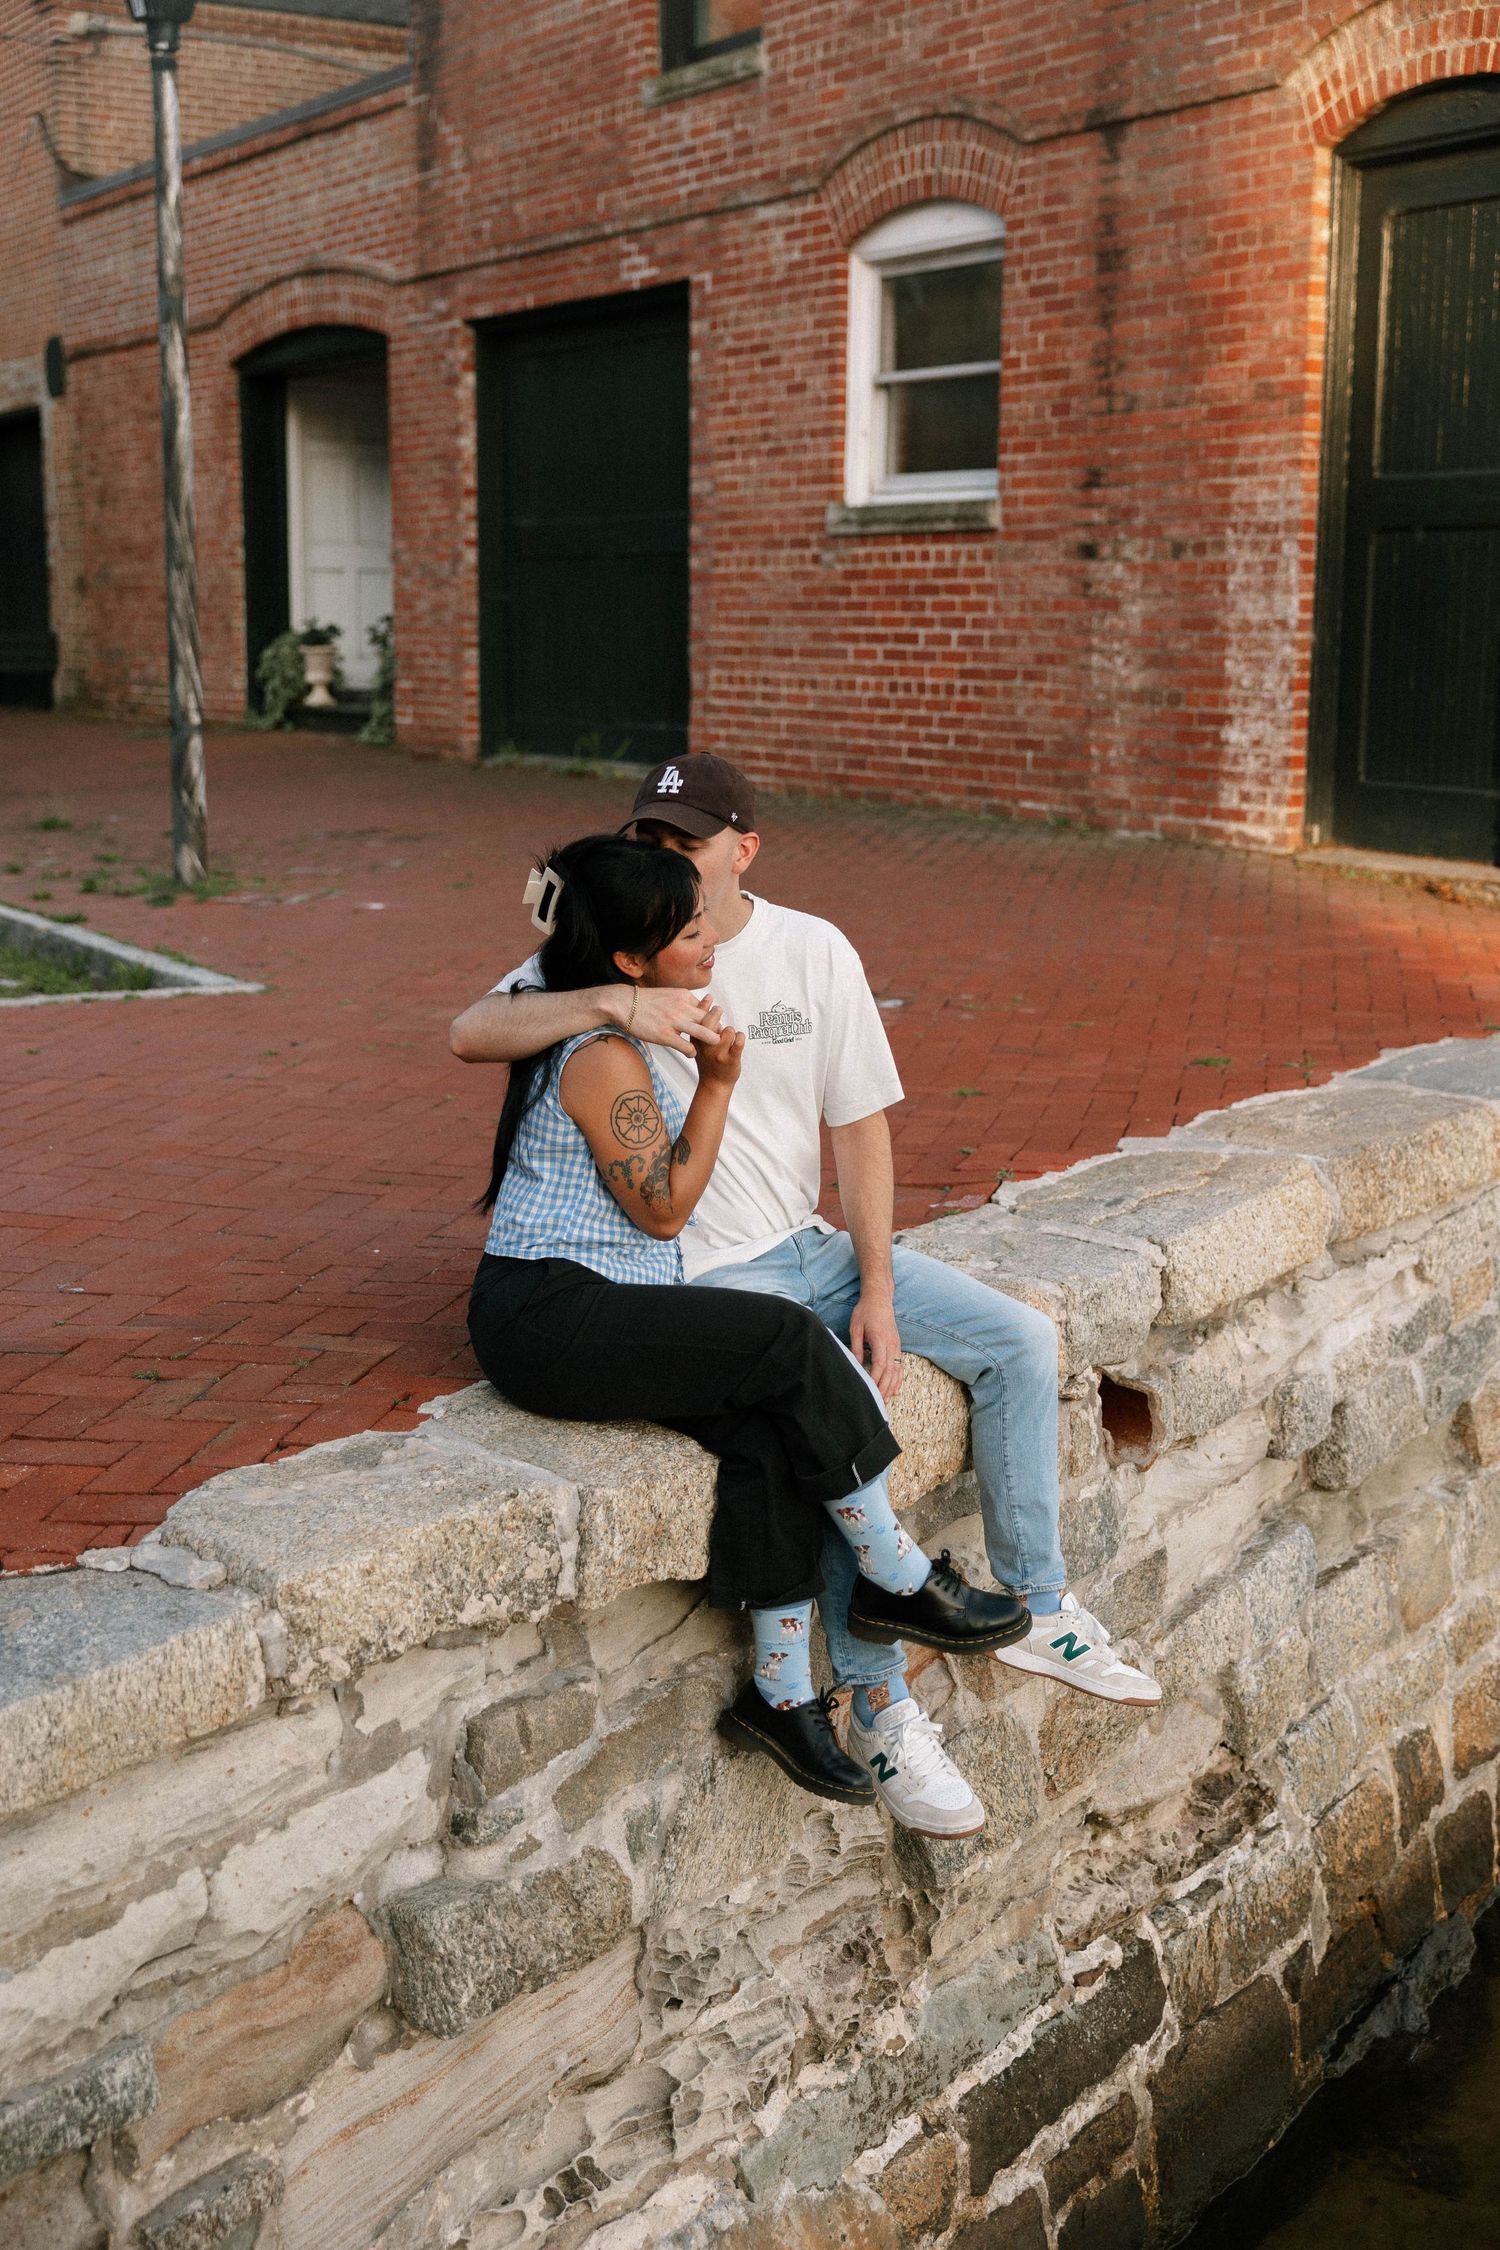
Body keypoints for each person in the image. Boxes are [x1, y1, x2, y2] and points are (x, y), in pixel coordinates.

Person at [453, 759, 1163, 1837]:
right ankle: (880, 1683)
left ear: (743, 850)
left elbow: (860, 1126)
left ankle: (1001, 1620)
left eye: (687, 839)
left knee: (1018, 1340)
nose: (665, 855)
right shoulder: (623, 947)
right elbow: (476, 1033)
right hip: (690, 1274)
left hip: (804, 1248)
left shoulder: (805, 948)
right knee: (816, 1401)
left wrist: (876, 1285)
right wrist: (618, 1001)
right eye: (649, 836)